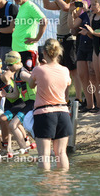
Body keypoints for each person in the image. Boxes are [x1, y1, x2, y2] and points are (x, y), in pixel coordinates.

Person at [29, 38, 72, 171]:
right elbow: (67, 85)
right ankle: (63, 181)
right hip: (63, 113)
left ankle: (44, 182)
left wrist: (37, 68)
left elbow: (31, 85)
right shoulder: (65, 70)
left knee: (44, 155)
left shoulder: (38, 69)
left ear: (44, 52)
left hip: (45, 113)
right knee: (61, 153)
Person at [43, 0, 86, 104]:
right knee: (64, 70)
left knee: (74, 70)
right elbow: (47, 5)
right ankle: (65, 99)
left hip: (70, 38)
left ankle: (78, 98)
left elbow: (66, 8)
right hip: (61, 38)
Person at [71, 0, 100, 113]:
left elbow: (95, 28)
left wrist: (87, 10)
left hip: (93, 46)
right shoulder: (85, 10)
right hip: (82, 45)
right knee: (83, 75)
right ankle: (89, 104)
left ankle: (99, 104)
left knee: (94, 76)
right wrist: (71, 12)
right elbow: (72, 27)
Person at [10, 0, 46, 71]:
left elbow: (44, 21)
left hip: (27, 50)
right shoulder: (22, 7)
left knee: (28, 76)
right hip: (18, 50)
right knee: (19, 77)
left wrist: (37, 38)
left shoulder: (30, 6)